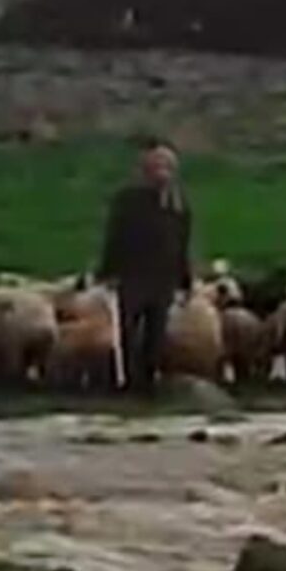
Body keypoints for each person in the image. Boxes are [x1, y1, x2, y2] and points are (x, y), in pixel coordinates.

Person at [96, 140, 195, 396]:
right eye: (157, 165)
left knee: (157, 333)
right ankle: (129, 381)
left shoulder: (178, 204)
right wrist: (108, 271)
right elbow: (116, 236)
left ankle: (150, 381)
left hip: (163, 279)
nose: (163, 171)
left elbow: (182, 243)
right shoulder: (128, 200)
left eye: (168, 166)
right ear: (146, 170)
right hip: (133, 276)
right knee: (128, 330)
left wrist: (185, 279)